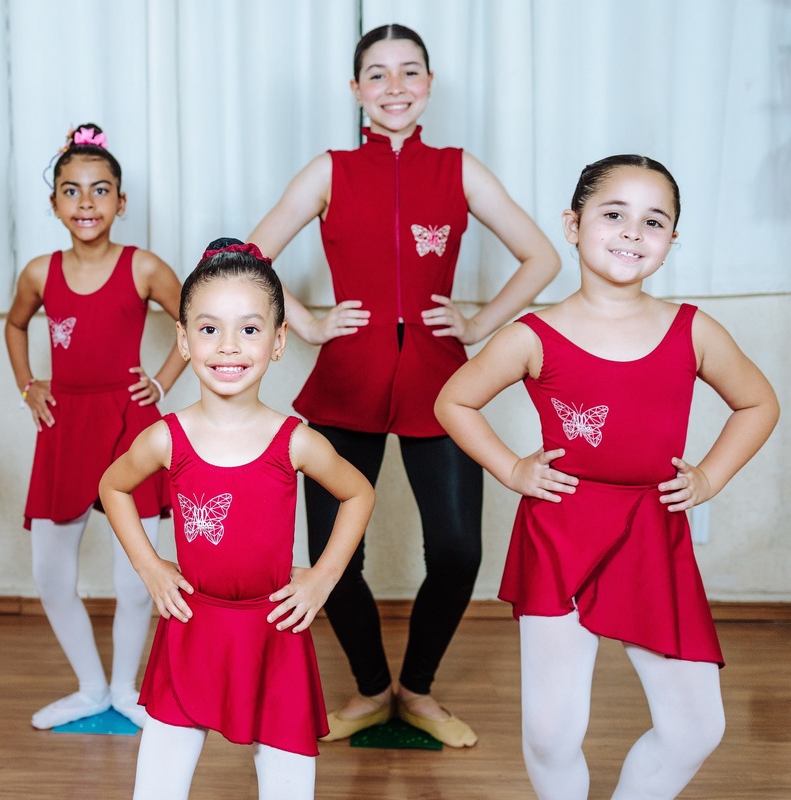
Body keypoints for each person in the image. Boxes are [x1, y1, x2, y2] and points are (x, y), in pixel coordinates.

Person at [247, 23, 561, 746]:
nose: (395, 87)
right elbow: (248, 252)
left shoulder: (459, 168)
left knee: (457, 551)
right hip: (345, 385)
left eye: (409, 72)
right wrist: (314, 324)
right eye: (378, 75)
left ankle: (415, 690)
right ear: (356, 91)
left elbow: (541, 257)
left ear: (429, 84)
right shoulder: (329, 170)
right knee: (334, 560)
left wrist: (480, 325)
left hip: (440, 384)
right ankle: (368, 690)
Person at [435, 154, 779, 798]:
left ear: (671, 241)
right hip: (561, 530)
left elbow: (759, 403)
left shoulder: (693, 329)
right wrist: (511, 467)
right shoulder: (533, 334)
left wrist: (709, 477)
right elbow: (453, 400)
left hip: (653, 533)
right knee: (551, 731)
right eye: (613, 214)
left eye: (653, 221)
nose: (631, 232)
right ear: (573, 224)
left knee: (695, 727)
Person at [100, 239, 376, 800]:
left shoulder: (295, 440)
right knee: (155, 789)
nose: (229, 346)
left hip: (275, 631)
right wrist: (150, 567)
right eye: (209, 330)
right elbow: (113, 484)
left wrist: (322, 578)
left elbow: (359, 493)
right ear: (183, 339)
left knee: (288, 788)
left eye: (249, 330)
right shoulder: (164, 437)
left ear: (278, 343)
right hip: (190, 628)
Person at [5, 123, 185, 729]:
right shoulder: (38, 272)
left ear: (121, 201)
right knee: (51, 573)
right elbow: (14, 326)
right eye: (72, 190)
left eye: (100, 189)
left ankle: (126, 689)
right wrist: (29, 385)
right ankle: (89, 688)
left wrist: (161, 382)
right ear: (54, 203)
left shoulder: (144, 268)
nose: (87, 202)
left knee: (138, 575)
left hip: (131, 423)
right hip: (65, 426)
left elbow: (198, 320)